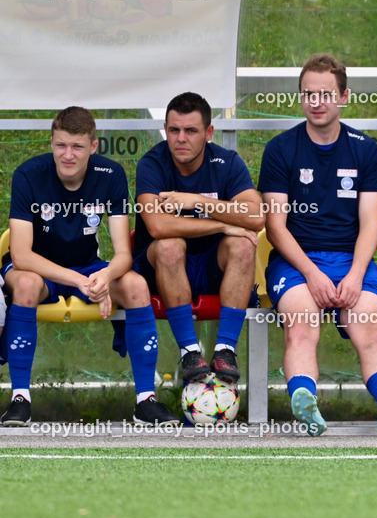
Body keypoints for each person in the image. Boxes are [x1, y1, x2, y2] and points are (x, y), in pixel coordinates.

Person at [259, 52, 377, 437]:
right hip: (296, 263)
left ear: (344, 96)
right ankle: (307, 405)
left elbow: (371, 225)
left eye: (325, 94)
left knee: (372, 328)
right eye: (309, 94)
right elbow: (276, 228)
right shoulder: (280, 149)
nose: (316, 102)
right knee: (301, 325)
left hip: (352, 263)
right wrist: (312, 274)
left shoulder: (364, 149)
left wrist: (354, 276)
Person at [1, 107, 178, 426]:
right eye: (60, 145)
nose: (67, 155)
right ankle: (20, 399)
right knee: (25, 285)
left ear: (93, 147)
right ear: (52, 142)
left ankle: (145, 401)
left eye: (77, 147)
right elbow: (22, 254)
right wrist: (79, 281)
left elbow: (125, 253)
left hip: (88, 267)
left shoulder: (111, 175)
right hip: (38, 270)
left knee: (136, 286)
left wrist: (104, 276)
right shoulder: (29, 174)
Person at [133, 92, 264, 386]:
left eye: (191, 131)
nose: (181, 138)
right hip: (161, 269)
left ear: (208, 133)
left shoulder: (227, 162)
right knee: (170, 245)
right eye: (174, 130)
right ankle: (190, 352)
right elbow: (156, 226)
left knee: (242, 244)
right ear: (165, 129)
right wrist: (220, 226)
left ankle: (225, 350)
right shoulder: (152, 163)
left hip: (212, 267)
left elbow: (256, 217)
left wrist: (196, 201)